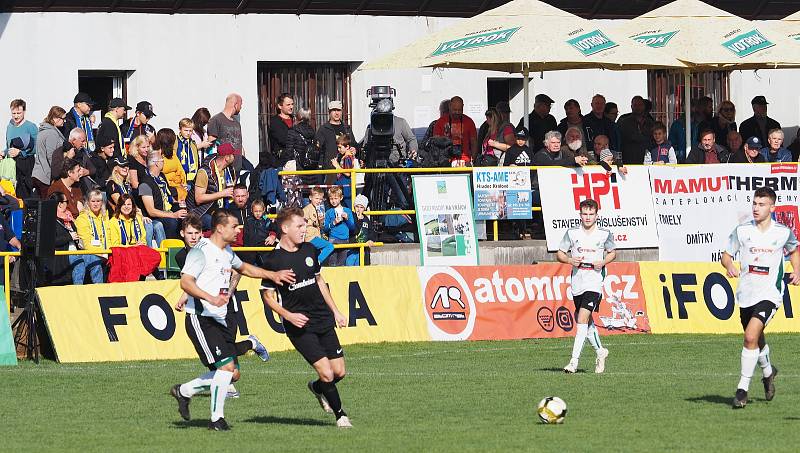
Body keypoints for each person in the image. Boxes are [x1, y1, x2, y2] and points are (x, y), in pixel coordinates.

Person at [170, 209, 295, 431]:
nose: (239, 230)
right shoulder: (200, 251)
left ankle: (184, 391)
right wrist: (210, 298)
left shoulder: (226, 250)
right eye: (234, 226)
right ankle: (216, 419)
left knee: (231, 373)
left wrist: (272, 275)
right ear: (220, 228)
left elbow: (244, 268)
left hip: (220, 318)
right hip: (201, 318)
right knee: (226, 369)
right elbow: (186, 282)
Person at [261, 207, 352, 428]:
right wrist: (288, 315)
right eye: (300, 226)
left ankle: (317, 388)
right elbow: (267, 296)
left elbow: (320, 282)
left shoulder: (310, 249)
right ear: (285, 228)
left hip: (322, 318)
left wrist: (336, 311)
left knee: (339, 371)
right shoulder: (273, 260)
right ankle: (341, 415)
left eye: (305, 225)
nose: (304, 230)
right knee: (327, 372)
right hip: (299, 325)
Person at [721, 187, 800, 408]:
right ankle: (768, 372)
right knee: (755, 338)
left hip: (770, 294)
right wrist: (729, 266)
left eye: (761, 204)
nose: (756, 208)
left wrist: (797, 270)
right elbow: (726, 255)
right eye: (754, 203)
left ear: (772, 207)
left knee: (750, 336)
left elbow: (794, 251)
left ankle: (741, 390)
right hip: (746, 293)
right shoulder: (742, 230)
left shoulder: (783, 232)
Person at [558, 198, 615, 374]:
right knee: (586, 321)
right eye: (585, 214)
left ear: (597, 215)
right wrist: (569, 259)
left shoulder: (604, 234)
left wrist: (603, 261)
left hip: (595, 280)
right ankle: (600, 351)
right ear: (580, 215)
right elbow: (560, 253)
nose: (588, 217)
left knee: (581, 319)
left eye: (591, 214)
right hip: (577, 279)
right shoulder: (572, 233)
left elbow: (613, 252)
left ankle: (573, 362)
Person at [186, 143, 238, 231]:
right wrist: (222, 194)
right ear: (227, 157)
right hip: (200, 212)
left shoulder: (229, 170)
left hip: (220, 209)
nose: (235, 157)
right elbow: (198, 199)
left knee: (234, 221)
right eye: (233, 155)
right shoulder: (204, 172)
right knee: (216, 224)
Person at [138, 149, 187, 240]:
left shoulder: (161, 177)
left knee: (187, 216)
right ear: (156, 163)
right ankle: (172, 249)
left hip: (168, 210)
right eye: (162, 160)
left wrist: (178, 202)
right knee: (172, 222)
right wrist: (173, 215)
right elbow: (151, 211)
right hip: (155, 217)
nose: (164, 162)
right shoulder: (144, 184)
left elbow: (166, 197)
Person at [315, 100, 358, 183]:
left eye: (338, 110)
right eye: (334, 110)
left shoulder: (347, 128)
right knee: (331, 194)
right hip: (330, 170)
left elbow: (354, 144)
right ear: (329, 112)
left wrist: (355, 149)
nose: (336, 113)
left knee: (345, 194)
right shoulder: (323, 129)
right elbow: (317, 149)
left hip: (346, 171)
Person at [74, 189, 111, 284]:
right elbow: (86, 244)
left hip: (106, 252)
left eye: (98, 201)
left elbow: (110, 237)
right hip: (90, 253)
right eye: (93, 201)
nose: (95, 204)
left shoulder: (105, 217)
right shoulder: (82, 218)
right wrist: (103, 254)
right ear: (88, 203)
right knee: (95, 261)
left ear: (102, 203)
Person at [6, 99, 38, 198]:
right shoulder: (10, 126)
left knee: (26, 195)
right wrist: (4, 152)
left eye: (18, 113)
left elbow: (36, 148)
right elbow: (8, 145)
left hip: (26, 164)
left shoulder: (31, 126)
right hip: (12, 164)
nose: (16, 116)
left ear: (24, 111)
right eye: (13, 113)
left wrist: (20, 152)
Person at [31, 106, 67, 197]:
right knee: (47, 206)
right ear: (55, 118)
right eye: (63, 118)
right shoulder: (51, 133)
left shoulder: (43, 131)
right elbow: (52, 156)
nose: (64, 121)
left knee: (40, 206)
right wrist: (57, 174)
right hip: (45, 176)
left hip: (38, 174)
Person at [432, 96, 478, 166]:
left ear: (463, 107)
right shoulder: (441, 122)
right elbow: (435, 143)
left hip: (465, 161)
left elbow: (474, 142)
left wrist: (473, 160)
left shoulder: (469, 121)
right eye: (454, 110)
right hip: (446, 160)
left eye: (459, 110)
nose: (457, 112)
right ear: (450, 106)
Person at [48, 192, 80, 286]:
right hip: (62, 256)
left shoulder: (68, 218)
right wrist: (69, 237)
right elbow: (52, 240)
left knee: (95, 261)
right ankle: (79, 291)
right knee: (80, 264)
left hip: (76, 252)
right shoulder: (51, 219)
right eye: (67, 201)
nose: (68, 204)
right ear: (60, 204)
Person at [207, 93, 244, 173]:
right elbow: (211, 144)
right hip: (223, 168)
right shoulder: (216, 120)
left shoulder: (236, 123)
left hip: (236, 168)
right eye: (241, 104)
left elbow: (239, 143)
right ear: (236, 104)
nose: (241, 107)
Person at [286, 107, 321, 185]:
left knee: (300, 192)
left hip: (298, 169)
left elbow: (289, 152)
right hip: (312, 168)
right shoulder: (313, 131)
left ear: (298, 117)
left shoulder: (293, 132)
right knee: (311, 193)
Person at [617, 96, 655, 165]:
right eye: (635, 105)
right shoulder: (624, 122)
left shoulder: (650, 123)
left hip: (647, 160)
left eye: (640, 105)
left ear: (644, 106)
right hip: (629, 160)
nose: (638, 107)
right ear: (631, 106)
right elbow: (619, 142)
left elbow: (654, 140)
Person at [323, 186, 354, 267]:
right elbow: (325, 228)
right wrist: (334, 222)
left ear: (341, 198)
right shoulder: (328, 212)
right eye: (331, 199)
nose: (333, 201)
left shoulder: (347, 211)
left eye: (336, 198)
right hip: (333, 239)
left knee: (341, 264)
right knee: (332, 263)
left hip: (345, 239)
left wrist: (347, 219)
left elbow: (352, 227)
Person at [303, 187, 335, 265]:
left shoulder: (316, 209)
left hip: (316, 236)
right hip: (310, 237)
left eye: (320, 199)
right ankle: (317, 262)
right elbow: (302, 222)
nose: (319, 201)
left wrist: (321, 221)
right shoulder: (307, 209)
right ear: (310, 198)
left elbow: (319, 226)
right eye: (317, 198)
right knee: (329, 246)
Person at [242, 198, 277, 266]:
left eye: (260, 211)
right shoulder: (248, 220)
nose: (258, 213)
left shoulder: (266, 220)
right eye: (256, 211)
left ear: (263, 210)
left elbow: (273, 228)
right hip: (251, 246)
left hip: (263, 245)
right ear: (252, 211)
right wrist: (246, 247)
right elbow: (246, 234)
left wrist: (272, 235)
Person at [156, 128, 188, 201]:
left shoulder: (172, 153)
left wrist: (183, 182)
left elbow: (180, 169)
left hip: (179, 185)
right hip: (168, 187)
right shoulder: (158, 155)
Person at [346, 194, 376, 266]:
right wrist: (358, 219)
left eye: (361, 207)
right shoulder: (352, 216)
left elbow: (371, 231)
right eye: (357, 206)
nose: (359, 209)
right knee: (349, 267)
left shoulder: (366, 219)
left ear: (364, 208)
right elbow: (353, 230)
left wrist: (371, 239)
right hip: (352, 249)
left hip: (362, 249)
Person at [268, 93, 294, 168]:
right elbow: (283, 139)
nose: (291, 107)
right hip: (281, 161)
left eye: (292, 104)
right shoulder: (275, 121)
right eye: (288, 105)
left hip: (295, 160)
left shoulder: (295, 120)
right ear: (280, 106)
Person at [175, 118, 200, 183]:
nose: (188, 133)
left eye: (190, 131)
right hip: (177, 176)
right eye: (186, 130)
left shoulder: (192, 144)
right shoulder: (175, 141)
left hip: (191, 177)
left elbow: (196, 160)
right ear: (180, 129)